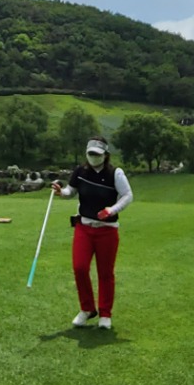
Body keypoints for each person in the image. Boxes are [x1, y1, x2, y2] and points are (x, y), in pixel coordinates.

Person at [53, 137, 132, 330]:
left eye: (97, 154)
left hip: (107, 230)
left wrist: (112, 210)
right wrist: (61, 192)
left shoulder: (115, 173)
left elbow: (127, 195)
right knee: (80, 268)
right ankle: (87, 309)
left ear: (105, 155)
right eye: (90, 154)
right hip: (84, 227)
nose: (93, 157)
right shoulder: (80, 172)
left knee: (105, 273)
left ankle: (105, 313)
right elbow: (71, 191)